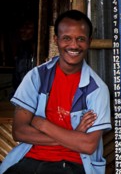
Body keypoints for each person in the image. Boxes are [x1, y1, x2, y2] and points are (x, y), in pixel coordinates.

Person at [0, 10, 111, 174]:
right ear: (56, 40)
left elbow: (87, 145)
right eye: (67, 38)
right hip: (29, 160)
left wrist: (42, 123)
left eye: (80, 39)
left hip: (72, 164)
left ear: (89, 41)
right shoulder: (37, 77)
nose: (74, 45)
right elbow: (19, 132)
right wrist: (74, 136)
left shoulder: (97, 88)